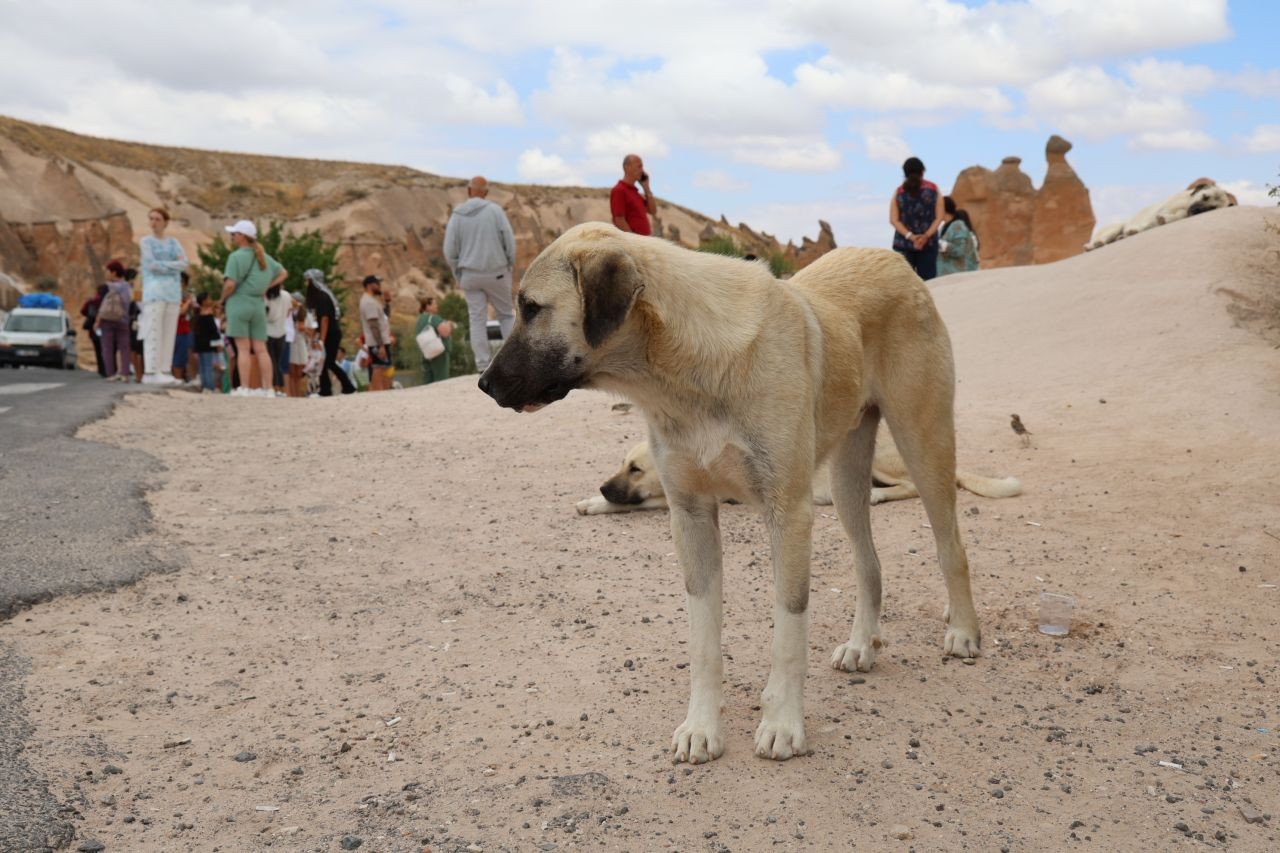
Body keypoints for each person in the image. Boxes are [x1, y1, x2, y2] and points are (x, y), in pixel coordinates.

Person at [443, 176, 516, 372]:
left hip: (470, 275)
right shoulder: (495, 211)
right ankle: (514, 362)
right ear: (485, 193)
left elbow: (449, 251)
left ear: (469, 191)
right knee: (506, 316)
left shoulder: (457, 215)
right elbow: (509, 241)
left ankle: (482, 365)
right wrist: (509, 263)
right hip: (497, 273)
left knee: (477, 320)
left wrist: (458, 271)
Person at [219, 219, 286, 397]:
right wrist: (267, 286)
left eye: (234, 234)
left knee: (242, 348)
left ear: (242, 237)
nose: (232, 237)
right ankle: (269, 388)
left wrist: (222, 299)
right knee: (261, 349)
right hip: (258, 304)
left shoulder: (235, 257)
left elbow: (230, 284)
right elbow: (283, 273)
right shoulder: (263, 257)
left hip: (239, 302)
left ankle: (245, 387)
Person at [139, 206, 189, 383]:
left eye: (157, 219)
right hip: (154, 291)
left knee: (169, 332)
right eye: (151, 218)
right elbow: (151, 265)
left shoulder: (173, 242)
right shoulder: (146, 242)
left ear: (165, 222)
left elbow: (184, 263)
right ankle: (151, 370)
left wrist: (165, 265)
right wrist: (172, 265)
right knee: (154, 330)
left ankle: (164, 370)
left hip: (172, 293)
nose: (153, 222)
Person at [889, 157, 945, 281]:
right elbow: (940, 217)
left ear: (904, 173)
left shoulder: (899, 192)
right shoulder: (933, 189)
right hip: (928, 244)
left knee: (903, 283)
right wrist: (925, 236)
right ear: (922, 172)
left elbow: (894, 220)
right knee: (929, 283)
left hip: (903, 244)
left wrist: (911, 236)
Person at [303, 269, 355, 396]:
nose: (305, 284)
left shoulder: (322, 297)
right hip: (330, 333)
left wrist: (321, 340)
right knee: (325, 362)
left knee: (328, 361)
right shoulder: (323, 296)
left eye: (307, 281)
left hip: (331, 333)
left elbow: (325, 319)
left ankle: (347, 386)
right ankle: (326, 390)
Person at [96, 261, 133, 381]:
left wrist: (97, 321)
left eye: (108, 271)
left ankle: (110, 374)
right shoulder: (128, 286)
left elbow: (102, 305)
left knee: (107, 347)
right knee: (124, 348)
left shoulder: (107, 287)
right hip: (123, 320)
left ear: (114, 272)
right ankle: (125, 374)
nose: (106, 274)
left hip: (107, 320)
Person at [358, 274, 392, 391]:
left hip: (380, 340)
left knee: (384, 368)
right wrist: (381, 345)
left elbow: (385, 318)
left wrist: (387, 302)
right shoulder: (369, 302)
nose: (379, 286)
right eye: (377, 284)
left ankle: (383, 392)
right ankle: (377, 394)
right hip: (377, 341)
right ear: (369, 285)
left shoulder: (371, 301)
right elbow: (373, 325)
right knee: (379, 368)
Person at [610, 153, 657, 236]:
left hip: (643, 243)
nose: (642, 171)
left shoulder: (635, 192)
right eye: (639, 166)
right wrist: (634, 243)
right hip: (633, 245)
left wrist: (646, 188)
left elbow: (652, 211)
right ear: (627, 167)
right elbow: (619, 220)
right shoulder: (619, 190)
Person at [937, 196, 981, 276]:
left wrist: (942, 245)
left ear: (943, 209)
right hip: (946, 276)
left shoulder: (958, 225)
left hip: (960, 276)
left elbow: (959, 250)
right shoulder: (943, 227)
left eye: (937, 208)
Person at [415, 295, 454, 384]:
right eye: (434, 304)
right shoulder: (433, 318)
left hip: (426, 353)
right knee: (441, 380)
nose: (437, 306)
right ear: (427, 306)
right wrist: (448, 324)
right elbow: (445, 333)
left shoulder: (419, 320)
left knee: (427, 381)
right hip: (438, 353)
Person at [265, 281, 292, 396]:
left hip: (269, 332)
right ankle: (281, 388)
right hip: (282, 331)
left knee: (272, 361)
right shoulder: (286, 295)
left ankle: (274, 387)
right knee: (279, 362)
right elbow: (289, 311)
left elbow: (270, 315)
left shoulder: (268, 296)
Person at [192, 293, 220, 393]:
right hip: (208, 344)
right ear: (203, 301)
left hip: (200, 344)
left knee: (202, 366)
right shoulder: (208, 316)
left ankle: (204, 385)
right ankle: (209, 386)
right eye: (209, 298)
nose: (211, 300)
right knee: (208, 366)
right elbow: (214, 332)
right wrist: (218, 344)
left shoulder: (197, 315)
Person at [171, 274, 196, 383]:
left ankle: (185, 378)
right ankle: (177, 379)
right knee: (177, 358)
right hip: (175, 331)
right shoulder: (172, 297)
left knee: (186, 356)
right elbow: (180, 311)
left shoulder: (185, 297)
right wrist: (188, 302)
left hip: (186, 330)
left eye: (181, 282)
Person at [80, 285, 106, 376]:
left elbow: (82, 311)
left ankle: (101, 369)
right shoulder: (107, 301)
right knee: (107, 349)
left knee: (98, 350)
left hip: (93, 330)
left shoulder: (92, 301)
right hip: (106, 328)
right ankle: (109, 368)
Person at [125, 268, 145, 383]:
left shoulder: (134, 290)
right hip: (136, 322)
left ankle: (140, 374)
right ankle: (139, 375)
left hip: (135, 321)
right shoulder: (133, 291)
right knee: (137, 350)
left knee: (138, 350)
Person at [286, 294, 308, 397]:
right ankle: (292, 393)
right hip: (292, 341)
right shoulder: (289, 311)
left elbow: (303, 328)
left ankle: (298, 393)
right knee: (292, 370)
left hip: (299, 341)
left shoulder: (302, 313)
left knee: (299, 371)